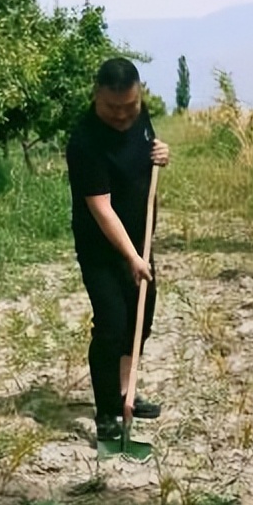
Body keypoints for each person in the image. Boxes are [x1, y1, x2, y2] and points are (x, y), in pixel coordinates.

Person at [65, 58, 170, 441]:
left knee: (141, 321)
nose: (124, 116)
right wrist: (131, 257)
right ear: (97, 96)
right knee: (112, 324)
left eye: (131, 106)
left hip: (139, 243)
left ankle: (127, 393)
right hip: (103, 248)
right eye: (114, 109)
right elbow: (101, 208)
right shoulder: (85, 140)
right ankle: (108, 410)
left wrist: (161, 154)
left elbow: (149, 153)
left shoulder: (138, 118)